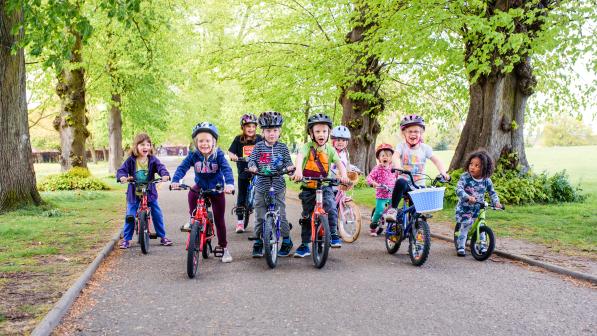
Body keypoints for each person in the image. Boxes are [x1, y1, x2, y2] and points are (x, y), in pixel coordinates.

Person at [171, 122, 235, 263]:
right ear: (196, 142)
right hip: (200, 185)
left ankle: (224, 248)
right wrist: (176, 180)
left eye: (207, 140)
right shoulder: (194, 155)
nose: (204, 144)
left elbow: (227, 170)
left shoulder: (218, 155)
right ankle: (193, 220)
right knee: (192, 193)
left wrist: (229, 184)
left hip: (216, 188)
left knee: (219, 219)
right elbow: (183, 167)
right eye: (201, 141)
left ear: (214, 142)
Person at [292, 113, 349, 256]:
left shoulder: (330, 149)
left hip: (325, 185)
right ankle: (305, 244)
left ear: (329, 133)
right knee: (306, 216)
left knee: (330, 207)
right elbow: (300, 157)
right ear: (311, 133)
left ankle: (334, 235)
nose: (321, 134)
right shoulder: (307, 147)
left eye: (324, 131)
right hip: (308, 187)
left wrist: (344, 175)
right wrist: (298, 171)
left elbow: (339, 163)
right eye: (317, 131)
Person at [247, 111, 295, 257]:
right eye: (268, 130)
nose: (272, 133)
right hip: (262, 185)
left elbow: (288, 163)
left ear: (279, 131)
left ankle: (286, 240)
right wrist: (253, 167)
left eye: (275, 130)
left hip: (278, 185)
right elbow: (252, 160)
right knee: (260, 214)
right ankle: (258, 243)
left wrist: (290, 169)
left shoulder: (283, 147)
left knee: (281, 213)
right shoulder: (259, 146)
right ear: (262, 131)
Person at [384, 114, 449, 221]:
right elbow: (395, 156)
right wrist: (398, 166)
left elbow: (437, 160)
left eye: (416, 131)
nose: (413, 134)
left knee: (417, 215)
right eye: (410, 131)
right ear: (404, 133)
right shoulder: (402, 146)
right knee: (400, 182)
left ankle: (416, 231)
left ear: (421, 133)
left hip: (419, 186)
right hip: (406, 184)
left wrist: (443, 172)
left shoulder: (425, 148)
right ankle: (393, 209)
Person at [116, 133, 172, 249]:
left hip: (149, 191)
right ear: (136, 146)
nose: (145, 147)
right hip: (134, 191)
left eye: (148, 144)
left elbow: (161, 168)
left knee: (156, 212)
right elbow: (122, 170)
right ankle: (126, 239)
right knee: (130, 214)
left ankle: (162, 237)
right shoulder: (131, 160)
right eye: (142, 145)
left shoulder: (153, 160)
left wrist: (165, 174)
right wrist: (122, 177)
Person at [455, 150, 502, 257]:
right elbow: (458, 189)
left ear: (484, 168)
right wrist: (467, 197)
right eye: (471, 164)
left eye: (477, 165)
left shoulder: (486, 180)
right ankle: (461, 246)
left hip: (479, 207)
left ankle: (483, 245)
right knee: (465, 225)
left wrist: (496, 202)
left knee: (482, 224)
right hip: (465, 207)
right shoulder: (465, 177)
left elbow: (492, 192)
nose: (472, 167)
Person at [228, 113, 263, 233]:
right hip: (243, 171)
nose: (251, 129)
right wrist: (233, 157)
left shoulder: (259, 139)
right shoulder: (238, 139)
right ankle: (240, 222)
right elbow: (231, 152)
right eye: (248, 126)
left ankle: (262, 220)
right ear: (243, 127)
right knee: (242, 196)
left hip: (258, 172)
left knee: (261, 194)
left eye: (253, 126)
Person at [366, 143, 396, 236]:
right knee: (379, 211)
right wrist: (374, 183)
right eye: (383, 155)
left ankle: (392, 228)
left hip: (392, 194)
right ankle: (373, 226)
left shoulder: (393, 168)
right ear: (379, 158)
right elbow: (369, 178)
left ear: (391, 158)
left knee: (392, 212)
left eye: (388, 155)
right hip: (381, 195)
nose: (385, 157)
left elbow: (398, 177)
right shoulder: (377, 168)